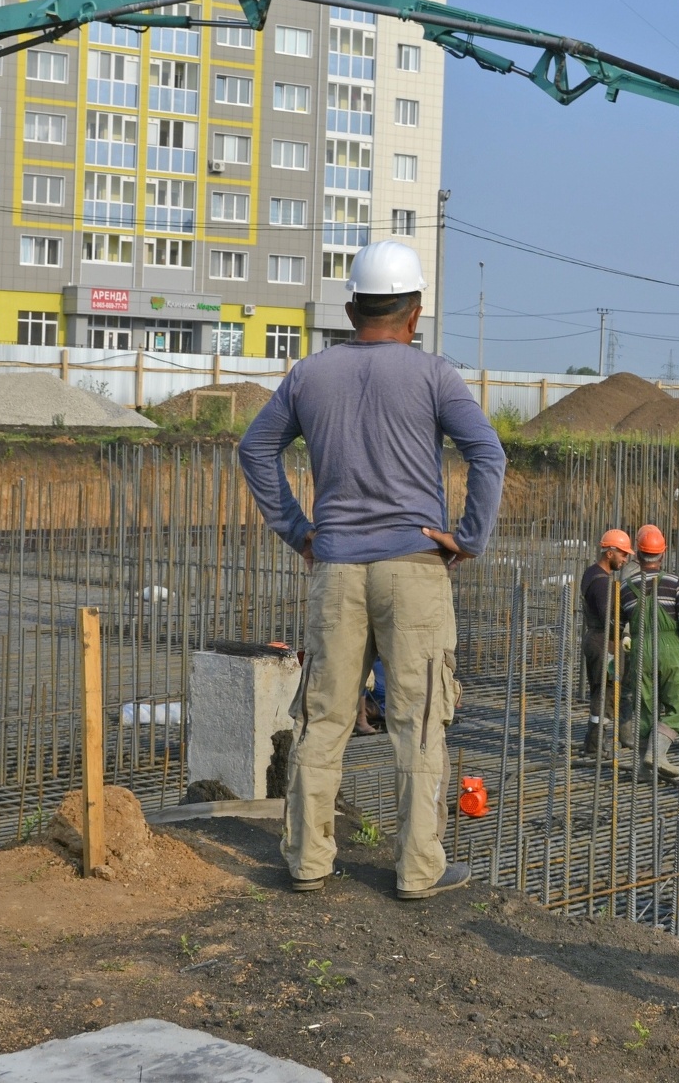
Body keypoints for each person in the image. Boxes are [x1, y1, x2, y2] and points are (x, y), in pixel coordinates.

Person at [238, 240, 506, 902]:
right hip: (414, 569)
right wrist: (467, 538)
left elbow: (255, 449)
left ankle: (306, 861)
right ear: (415, 313)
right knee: (417, 722)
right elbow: (489, 454)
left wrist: (299, 531)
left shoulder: (309, 375)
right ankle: (418, 871)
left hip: (336, 570)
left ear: (352, 307)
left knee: (324, 718)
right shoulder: (435, 376)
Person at [616, 524, 679, 781]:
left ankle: (643, 769)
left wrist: (617, 652)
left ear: (637, 554)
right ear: (663, 553)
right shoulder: (674, 582)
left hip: (640, 652)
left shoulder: (626, 586)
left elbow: (618, 625)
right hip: (670, 649)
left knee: (645, 709)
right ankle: (657, 754)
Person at [578, 529, 631, 757]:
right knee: (606, 692)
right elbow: (608, 619)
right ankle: (596, 745)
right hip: (604, 641)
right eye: (623, 554)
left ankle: (594, 741)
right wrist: (624, 631)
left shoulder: (592, 573)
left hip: (596, 639)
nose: (625, 559)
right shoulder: (601, 582)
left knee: (601, 691)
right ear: (610, 553)